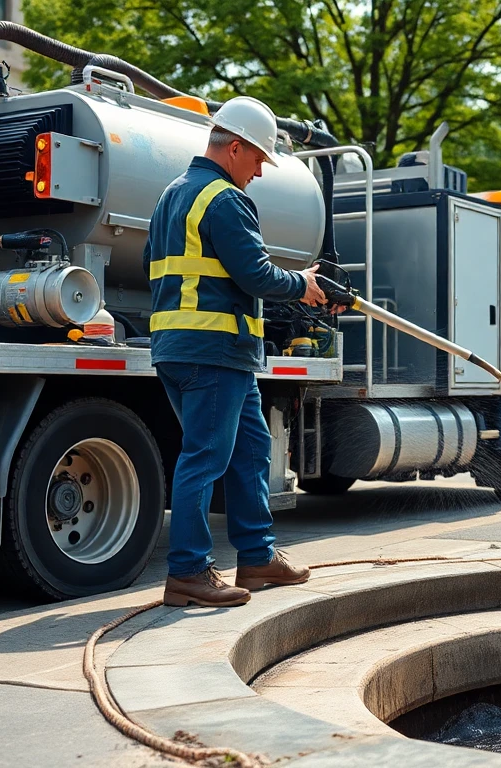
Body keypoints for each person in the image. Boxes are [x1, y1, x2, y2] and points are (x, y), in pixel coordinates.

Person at [143, 95, 331, 608]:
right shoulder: (224, 199)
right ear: (235, 148)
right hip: (214, 350)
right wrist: (302, 285)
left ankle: (257, 557)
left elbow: (151, 264)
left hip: (186, 349)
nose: (260, 172)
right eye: (259, 159)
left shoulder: (170, 196)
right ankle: (187, 573)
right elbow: (255, 274)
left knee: (250, 449)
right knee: (205, 458)